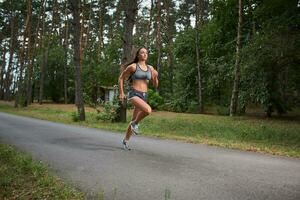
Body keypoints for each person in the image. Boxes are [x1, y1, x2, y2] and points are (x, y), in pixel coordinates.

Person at [118, 47, 159, 150]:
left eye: (146, 52)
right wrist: (121, 93)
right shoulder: (133, 67)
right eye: (142, 53)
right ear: (138, 55)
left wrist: (154, 77)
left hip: (144, 95)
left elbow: (155, 85)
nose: (145, 54)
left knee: (133, 119)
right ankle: (135, 124)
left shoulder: (151, 68)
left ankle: (125, 141)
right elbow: (121, 78)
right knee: (148, 110)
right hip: (134, 94)